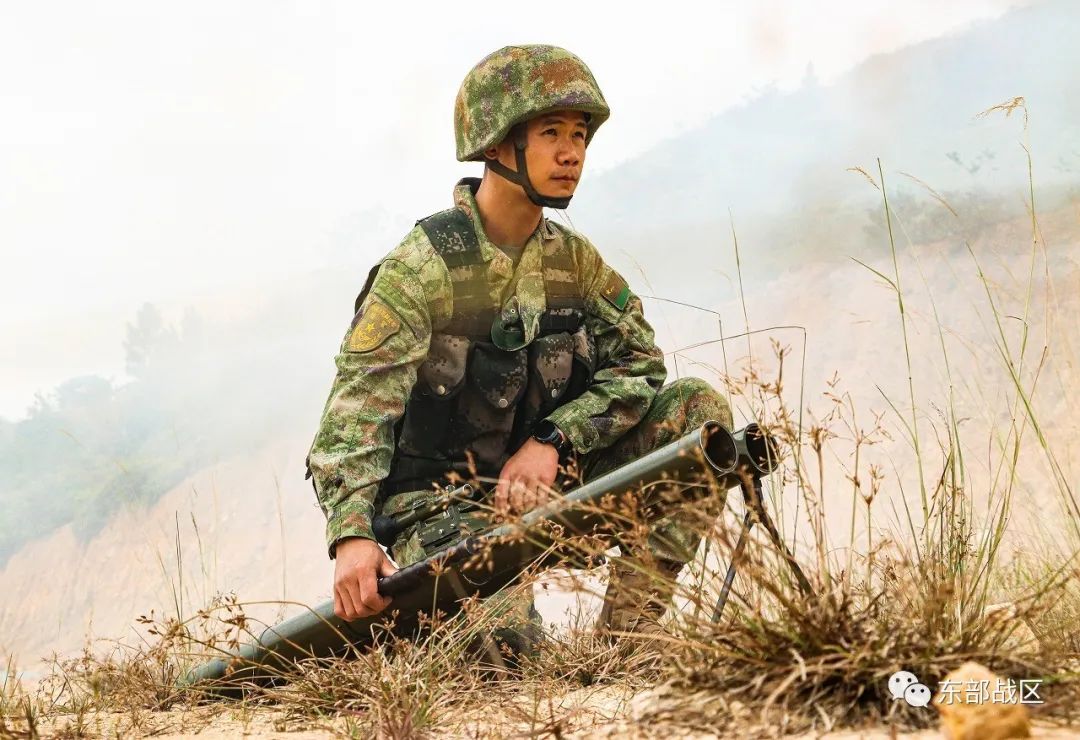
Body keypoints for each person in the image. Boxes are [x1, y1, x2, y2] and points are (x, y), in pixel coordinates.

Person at [306, 45, 732, 649]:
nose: (572, 152)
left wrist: (553, 440)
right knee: (510, 658)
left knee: (696, 413)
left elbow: (640, 367)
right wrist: (352, 537)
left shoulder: (574, 263)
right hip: (441, 510)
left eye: (579, 134)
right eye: (551, 133)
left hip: (547, 493)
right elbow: (354, 416)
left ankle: (630, 641)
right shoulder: (423, 267)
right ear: (495, 145)